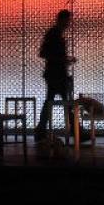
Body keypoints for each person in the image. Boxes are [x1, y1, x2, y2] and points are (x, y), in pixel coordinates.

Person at [35, 9, 77, 142]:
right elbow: (44, 53)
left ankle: (41, 131)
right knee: (66, 103)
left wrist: (64, 59)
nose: (68, 23)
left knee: (52, 102)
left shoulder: (55, 34)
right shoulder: (54, 34)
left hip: (55, 74)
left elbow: (46, 53)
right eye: (67, 20)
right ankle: (77, 131)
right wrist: (63, 60)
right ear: (62, 20)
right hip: (56, 74)